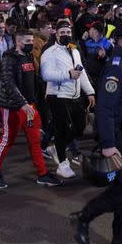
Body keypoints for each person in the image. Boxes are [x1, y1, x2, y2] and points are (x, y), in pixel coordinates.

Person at [69, 21, 122, 244]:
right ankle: (84, 216)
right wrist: (109, 144)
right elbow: (105, 109)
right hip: (119, 138)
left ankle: (120, 237)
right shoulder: (116, 67)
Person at [0, 29, 60, 189]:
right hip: (13, 108)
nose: (31, 44)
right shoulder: (9, 58)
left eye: (31, 40)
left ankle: (42, 174)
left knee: (35, 141)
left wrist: (35, 101)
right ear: (18, 42)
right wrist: (22, 104)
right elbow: (8, 82)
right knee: (7, 140)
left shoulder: (28, 56)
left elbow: (32, 81)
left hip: (30, 107)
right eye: (27, 41)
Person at [40, 20, 96, 179]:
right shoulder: (50, 52)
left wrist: (90, 91)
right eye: (62, 33)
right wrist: (67, 75)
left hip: (75, 95)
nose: (66, 35)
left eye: (68, 32)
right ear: (56, 34)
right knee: (61, 128)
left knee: (80, 127)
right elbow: (45, 75)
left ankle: (58, 148)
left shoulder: (75, 50)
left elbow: (81, 72)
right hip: (57, 96)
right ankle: (63, 163)